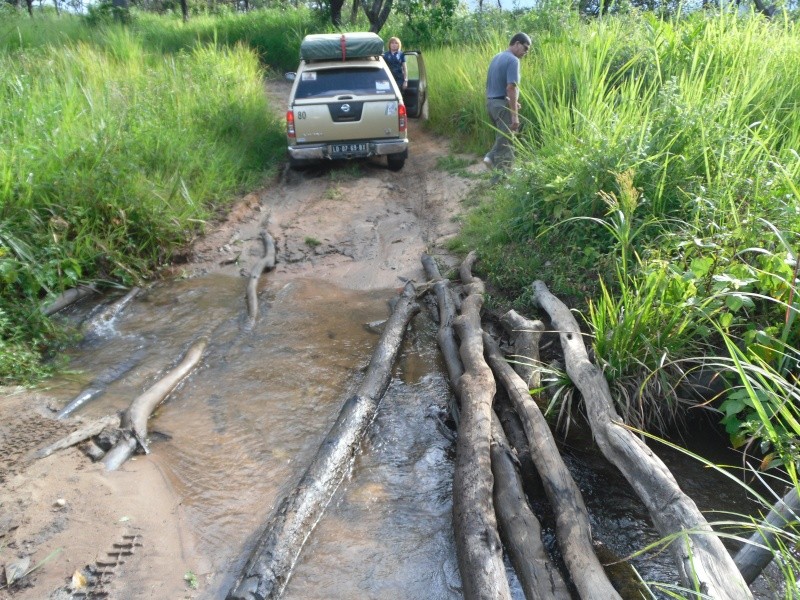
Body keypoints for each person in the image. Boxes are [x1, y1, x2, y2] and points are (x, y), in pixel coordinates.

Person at [483, 32, 531, 171]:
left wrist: (513, 103)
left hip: (492, 103)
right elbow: (511, 87)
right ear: (517, 44)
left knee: (502, 138)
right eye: (525, 48)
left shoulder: (496, 57)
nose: (525, 53)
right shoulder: (513, 60)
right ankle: (502, 182)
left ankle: (490, 157)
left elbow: (496, 84)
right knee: (506, 146)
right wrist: (514, 116)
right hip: (502, 107)